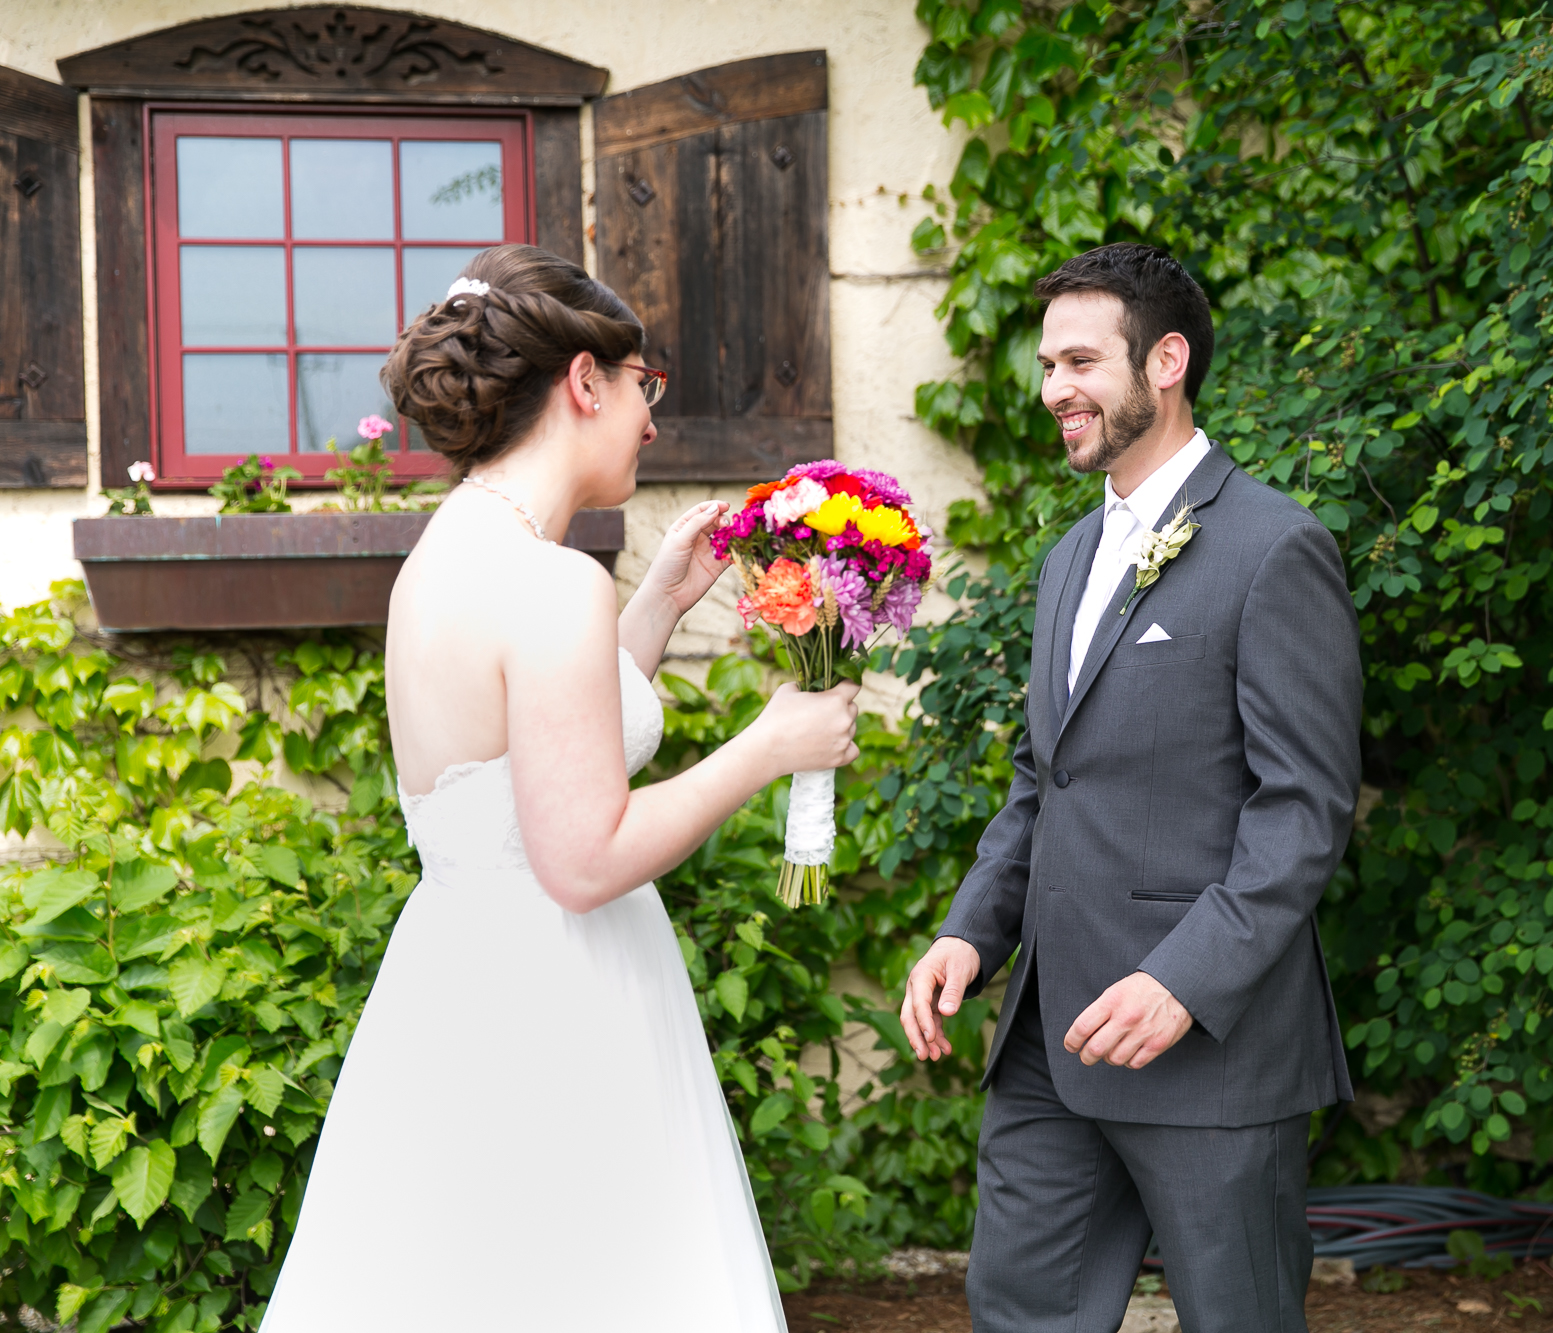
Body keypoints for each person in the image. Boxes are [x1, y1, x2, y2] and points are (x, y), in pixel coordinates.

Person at [264, 243, 855, 1330]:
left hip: (456, 986)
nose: (652, 419)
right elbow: (582, 858)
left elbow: (529, 745)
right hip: (558, 1010)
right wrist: (769, 746)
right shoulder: (550, 581)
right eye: (644, 385)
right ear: (584, 380)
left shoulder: (450, 556)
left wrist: (661, 602)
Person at [899, 243, 1364, 1333]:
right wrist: (974, 930)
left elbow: (1301, 810)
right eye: (1045, 365)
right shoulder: (1067, 557)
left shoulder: (1273, 547)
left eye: (1077, 361)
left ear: (1164, 360)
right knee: (1017, 1310)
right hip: (1047, 1042)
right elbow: (1043, 780)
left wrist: (1185, 981)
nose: (1052, 388)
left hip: (1207, 1045)